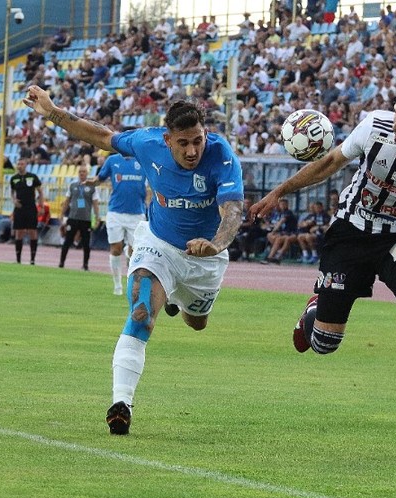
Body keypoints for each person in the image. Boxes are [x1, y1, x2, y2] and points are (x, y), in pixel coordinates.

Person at [249, 83, 396, 452]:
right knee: (324, 344)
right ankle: (313, 312)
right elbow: (330, 163)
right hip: (352, 233)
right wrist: (279, 191)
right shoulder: (374, 128)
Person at [23, 86, 244, 435]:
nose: (192, 151)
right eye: (183, 143)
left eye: (198, 141)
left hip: (204, 257)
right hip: (158, 244)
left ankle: (175, 299)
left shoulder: (222, 155)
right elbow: (100, 135)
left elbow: (232, 210)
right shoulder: (147, 143)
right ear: (167, 140)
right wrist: (52, 112)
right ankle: (121, 404)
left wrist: (215, 245)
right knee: (141, 312)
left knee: (196, 323)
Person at [87, 153, 148, 295]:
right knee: (115, 249)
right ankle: (118, 286)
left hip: (137, 213)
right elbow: (100, 178)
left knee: (135, 252)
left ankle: (131, 275)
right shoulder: (112, 160)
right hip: (115, 212)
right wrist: (92, 182)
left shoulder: (142, 158)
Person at [59, 165, 100, 270]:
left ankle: (85, 265)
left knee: (86, 243)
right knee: (67, 241)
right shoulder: (72, 185)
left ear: (87, 173)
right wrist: (61, 214)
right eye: (80, 171)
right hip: (73, 217)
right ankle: (61, 262)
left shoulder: (92, 187)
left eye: (84, 172)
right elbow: (67, 201)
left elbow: (95, 203)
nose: (82, 173)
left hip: (86, 219)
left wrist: (97, 217)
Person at [9, 159, 45, 264]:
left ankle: (32, 259)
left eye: (22, 164)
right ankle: (18, 259)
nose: (20, 166)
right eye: (18, 164)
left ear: (26, 165)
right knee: (19, 232)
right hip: (19, 208)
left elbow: (40, 192)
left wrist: (41, 206)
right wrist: (14, 200)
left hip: (30, 207)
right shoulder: (14, 178)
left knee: (32, 231)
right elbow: (12, 192)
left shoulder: (32, 177)